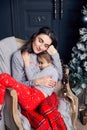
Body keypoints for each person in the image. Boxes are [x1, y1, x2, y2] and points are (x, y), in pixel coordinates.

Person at [0, 27, 66, 130]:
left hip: (45, 95)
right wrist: (36, 82)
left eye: (46, 45)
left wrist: (55, 55)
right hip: (29, 95)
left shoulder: (44, 55)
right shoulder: (19, 56)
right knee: (42, 123)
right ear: (35, 36)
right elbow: (17, 84)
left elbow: (60, 77)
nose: (40, 47)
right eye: (40, 41)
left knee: (47, 109)